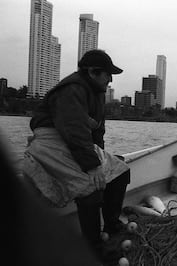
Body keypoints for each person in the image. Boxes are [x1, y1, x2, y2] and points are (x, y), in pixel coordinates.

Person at [23, 49, 131, 256]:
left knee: (119, 170)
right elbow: (73, 129)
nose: (110, 79)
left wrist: (101, 162)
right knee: (89, 188)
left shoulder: (97, 93)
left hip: (76, 142)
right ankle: (92, 248)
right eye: (107, 74)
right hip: (52, 141)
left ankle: (111, 226)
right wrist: (92, 167)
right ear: (92, 72)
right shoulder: (72, 90)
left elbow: (96, 131)